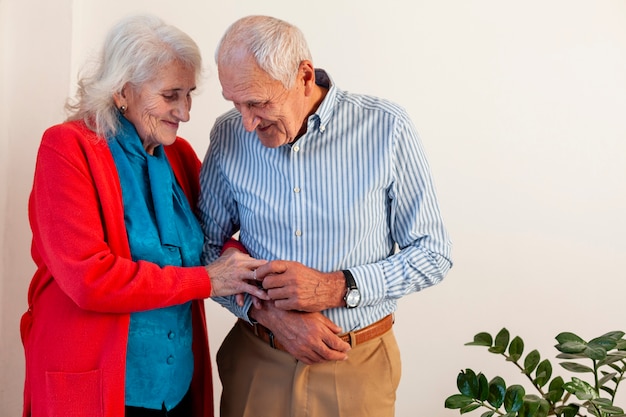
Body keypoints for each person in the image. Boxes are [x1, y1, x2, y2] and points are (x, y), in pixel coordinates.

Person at [197, 15, 453, 417]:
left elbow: (433, 253)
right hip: (257, 357)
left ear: (303, 76)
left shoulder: (387, 128)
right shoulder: (229, 135)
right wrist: (271, 315)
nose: (246, 122)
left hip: (356, 362)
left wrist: (337, 287)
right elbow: (205, 250)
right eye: (235, 104)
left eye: (258, 103)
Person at [20, 14, 268, 417]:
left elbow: (212, 234)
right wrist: (206, 280)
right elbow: (90, 279)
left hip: (176, 385)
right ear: (122, 91)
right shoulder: (67, 149)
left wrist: (235, 256)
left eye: (189, 95)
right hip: (97, 382)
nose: (185, 112)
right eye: (171, 95)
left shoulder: (179, 155)